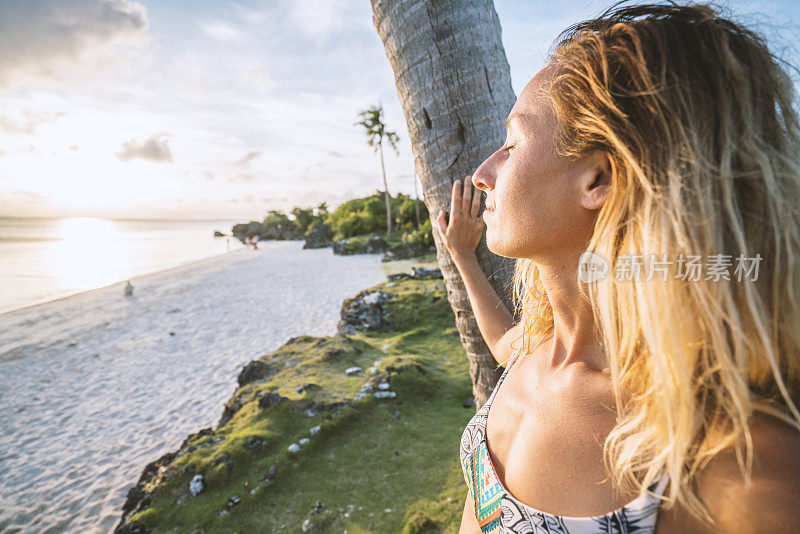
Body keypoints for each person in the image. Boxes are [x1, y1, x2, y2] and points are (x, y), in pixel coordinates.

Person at [437, 3, 800, 533]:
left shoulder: (735, 466)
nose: (483, 173)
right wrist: (464, 257)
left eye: (513, 143)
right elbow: (500, 343)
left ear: (599, 178)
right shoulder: (540, 351)